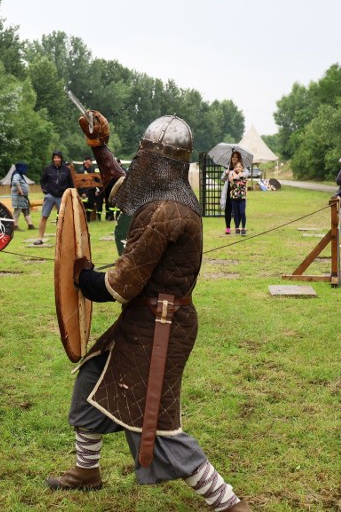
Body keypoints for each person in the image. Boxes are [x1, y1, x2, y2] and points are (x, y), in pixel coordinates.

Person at [46, 112, 249, 512]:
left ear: (156, 163)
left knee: (152, 423)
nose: (137, 165)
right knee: (91, 380)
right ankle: (87, 470)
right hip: (146, 318)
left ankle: (228, 503)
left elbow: (119, 285)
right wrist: (98, 147)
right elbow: (124, 187)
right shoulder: (165, 194)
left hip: (162, 325)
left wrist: (82, 275)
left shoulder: (166, 211)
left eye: (143, 157)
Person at [35, 150, 73, 245]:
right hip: (50, 195)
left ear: (61, 158)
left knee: (64, 218)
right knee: (44, 216)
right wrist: (45, 190)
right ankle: (40, 238)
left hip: (62, 196)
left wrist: (70, 194)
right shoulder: (48, 169)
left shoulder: (66, 170)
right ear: (53, 159)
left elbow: (71, 184)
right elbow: (42, 181)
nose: (57, 159)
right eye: (55, 157)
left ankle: (64, 238)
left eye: (58, 157)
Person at [220, 151, 247, 235]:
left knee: (238, 210)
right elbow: (222, 179)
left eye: (236, 157)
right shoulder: (227, 168)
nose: (234, 158)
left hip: (239, 192)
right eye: (233, 157)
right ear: (231, 158)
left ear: (238, 158)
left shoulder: (242, 168)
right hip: (229, 191)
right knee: (228, 209)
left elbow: (246, 174)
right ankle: (227, 227)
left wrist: (238, 172)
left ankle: (237, 227)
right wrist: (225, 173)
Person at [10, 162, 34, 230]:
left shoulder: (20, 174)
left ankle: (30, 225)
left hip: (22, 197)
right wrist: (20, 190)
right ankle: (15, 226)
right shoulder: (17, 174)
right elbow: (15, 181)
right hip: (18, 197)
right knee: (17, 211)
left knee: (26, 210)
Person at [76, 156, 101, 221]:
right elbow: (79, 182)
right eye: (90, 161)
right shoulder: (81, 170)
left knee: (91, 204)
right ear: (86, 161)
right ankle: (83, 219)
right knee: (84, 205)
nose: (91, 162)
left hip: (91, 191)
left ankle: (88, 218)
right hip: (84, 191)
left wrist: (96, 189)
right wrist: (82, 192)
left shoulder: (91, 170)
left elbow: (94, 180)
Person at [228, 161, 248, 235]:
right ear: (234, 168)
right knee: (235, 213)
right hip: (234, 197)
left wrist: (239, 177)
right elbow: (232, 184)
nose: (238, 168)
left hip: (242, 197)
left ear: (242, 168)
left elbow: (243, 183)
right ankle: (237, 228)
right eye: (237, 167)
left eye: (240, 167)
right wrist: (234, 179)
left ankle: (243, 228)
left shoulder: (244, 175)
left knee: (242, 212)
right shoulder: (231, 174)